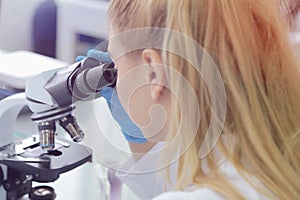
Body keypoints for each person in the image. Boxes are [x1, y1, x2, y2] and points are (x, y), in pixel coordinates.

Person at [91, 0, 300, 199]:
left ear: (153, 71)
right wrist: (142, 141)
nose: (115, 80)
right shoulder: (276, 158)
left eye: (116, 66)